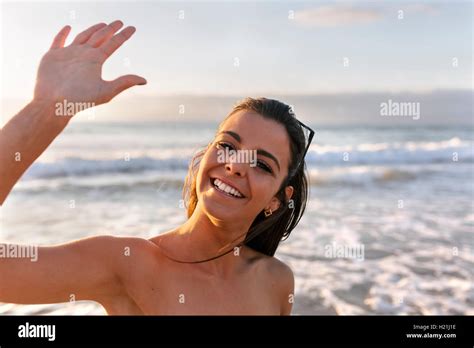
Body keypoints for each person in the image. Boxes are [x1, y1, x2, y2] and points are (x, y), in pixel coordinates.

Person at [0, 21, 310, 315]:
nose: (235, 166)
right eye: (227, 146)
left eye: (261, 164)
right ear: (205, 156)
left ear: (278, 199)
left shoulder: (276, 281)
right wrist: (47, 109)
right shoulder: (127, 264)